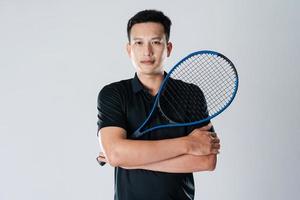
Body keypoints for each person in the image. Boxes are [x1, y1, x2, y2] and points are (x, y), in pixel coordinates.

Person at [96, 9, 220, 200]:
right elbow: (115, 153)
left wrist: (130, 160)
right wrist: (188, 144)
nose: (147, 51)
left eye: (155, 42)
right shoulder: (113, 94)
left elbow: (207, 160)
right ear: (129, 49)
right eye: (139, 43)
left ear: (168, 48)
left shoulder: (191, 94)